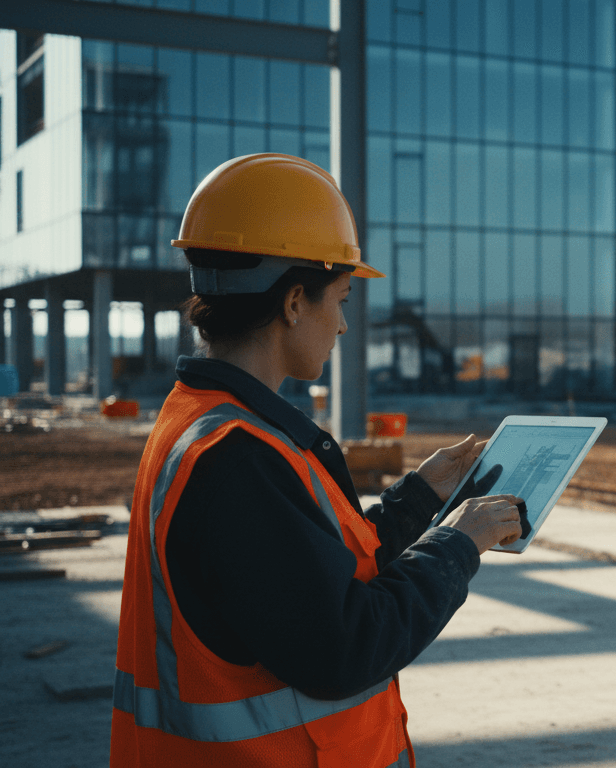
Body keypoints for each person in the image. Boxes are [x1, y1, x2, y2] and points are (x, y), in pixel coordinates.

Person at [110, 154, 522, 767]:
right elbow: (346, 646)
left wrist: (421, 497)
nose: (344, 325)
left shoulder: (203, 421)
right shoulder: (237, 459)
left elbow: (316, 572)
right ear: (295, 302)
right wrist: (458, 544)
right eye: (342, 298)